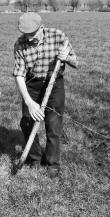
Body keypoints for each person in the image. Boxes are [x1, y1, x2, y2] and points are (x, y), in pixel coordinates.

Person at [13, 12, 78, 178]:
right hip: (32, 85)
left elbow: (76, 62)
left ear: (41, 28)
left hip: (54, 83)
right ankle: (34, 159)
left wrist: (67, 58)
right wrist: (29, 101)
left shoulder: (58, 36)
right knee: (27, 123)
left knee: (53, 124)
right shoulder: (20, 44)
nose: (28, 38)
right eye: (25, 34)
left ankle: (52, 163)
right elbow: (19, 75)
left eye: (32, 34)